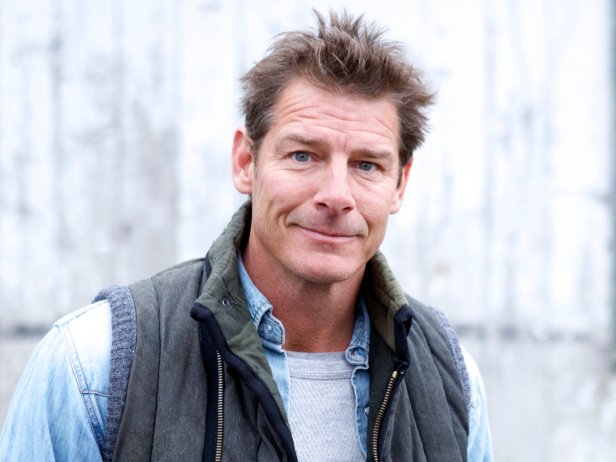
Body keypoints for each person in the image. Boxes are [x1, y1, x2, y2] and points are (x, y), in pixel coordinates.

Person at [0, 10, 492, 462]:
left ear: (399, 183)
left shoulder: (450, 378)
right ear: (245, 162)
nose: (336, 195)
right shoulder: (94, 366)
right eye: (303, 155)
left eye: (367, 165)